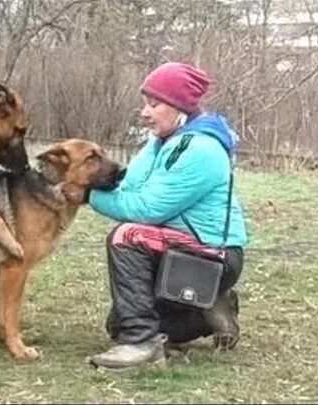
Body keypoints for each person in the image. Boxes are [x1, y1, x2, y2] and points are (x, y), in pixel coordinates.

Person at [85, 62, 249, 372]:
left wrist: (86, 196)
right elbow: (129, 186)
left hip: (215, 255)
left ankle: (141, 344)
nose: (145, 112)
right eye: (146, 103)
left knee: (128, 235)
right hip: (179, 251)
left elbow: (148, 209)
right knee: (117, 324)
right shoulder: (161, 143)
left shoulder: (202, 149)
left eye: (154, 104)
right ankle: (209, 310)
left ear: (180, 108)